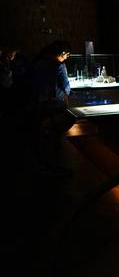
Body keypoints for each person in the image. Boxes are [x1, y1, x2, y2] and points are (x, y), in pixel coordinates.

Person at [29, 40, 74, 176]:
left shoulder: (39, 63)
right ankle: (55, 167)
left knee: (42, 137)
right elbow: (65, 86)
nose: (67, 57)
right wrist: (68, 94)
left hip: (39, 104)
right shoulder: (59, 65)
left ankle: (42, 166)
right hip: (55, 104)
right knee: (55, 137)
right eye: (67, 55)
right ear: (62, 53)